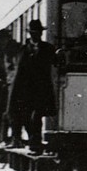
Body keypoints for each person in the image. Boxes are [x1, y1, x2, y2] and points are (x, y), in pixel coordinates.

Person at [14, 19, 57, 154]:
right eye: (33, 33)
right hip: (26, 91)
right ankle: (33, 141)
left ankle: (35, 145)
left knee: (36, 117)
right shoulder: (22, 50)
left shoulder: (49, 48)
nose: (36, 35)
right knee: (26, 118)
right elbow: (19, 71)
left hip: (41, 90)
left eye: (38, 33)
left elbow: (56, 62)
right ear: (30, 34)